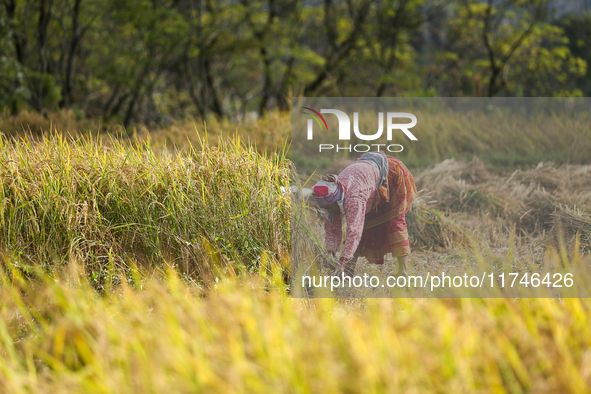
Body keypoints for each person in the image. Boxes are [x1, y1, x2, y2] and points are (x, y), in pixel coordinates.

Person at [312, 151, 417, 277]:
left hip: (391, 173)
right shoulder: (331, 197)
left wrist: (342, 262)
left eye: (329, 208)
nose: (328, 211)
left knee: (394, 222)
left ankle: (403, 272)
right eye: (325, 208)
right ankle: (349, 272)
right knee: (364, 221)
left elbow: (354, 231)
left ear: (336, 200)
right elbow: (332, 231)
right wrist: (330, 253)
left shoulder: (353, 199)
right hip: (366, 173)